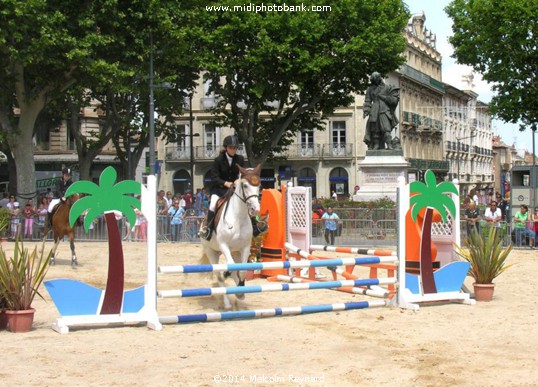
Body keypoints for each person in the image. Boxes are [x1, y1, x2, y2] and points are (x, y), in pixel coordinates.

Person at [199, 135, 245, 240]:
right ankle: (208, 229)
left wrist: (239, 179)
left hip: (234, 190)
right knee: (212, 205)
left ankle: (254, 226)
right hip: (219, 189)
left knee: (245, 202)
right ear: (226, 148)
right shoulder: (218, 160)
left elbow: (242, 173)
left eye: (235, 148)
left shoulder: (240, 159)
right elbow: (214, 177)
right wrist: (225, 183)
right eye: (231, 147)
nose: (233, 150)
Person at [362, 72, 400, 150]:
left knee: (386, 129)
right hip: (374, 111)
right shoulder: (370, 89)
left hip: (384, 110)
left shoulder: (387, 87)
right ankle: (376, 145)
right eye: (374, 80)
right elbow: (367, 101)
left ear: (379, 78)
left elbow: (394, 100)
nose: (375, 82)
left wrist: (383, 97)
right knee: (375, 130)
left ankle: (389, 144)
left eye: (376, 80)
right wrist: (366, 110)